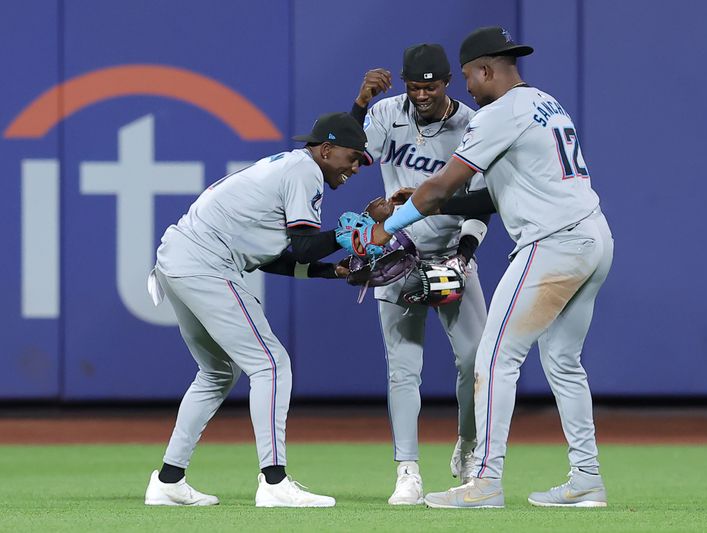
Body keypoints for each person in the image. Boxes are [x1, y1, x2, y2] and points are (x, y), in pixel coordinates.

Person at [359, 26, 614, 509]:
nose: (469, 89)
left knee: (493, 359)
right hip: (594, 236)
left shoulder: (497, 114)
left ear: (484, 69)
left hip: (553, 242)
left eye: (471, 78)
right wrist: (421, 204)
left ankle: (485, 481)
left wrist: (392, 220)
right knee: (563, 362)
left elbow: (438, 188)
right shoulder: (545, 101)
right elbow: (484, 197)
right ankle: (587, 477)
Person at [143, 112, 367, 508]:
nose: (355, 167)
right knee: (271, 364)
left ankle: (168, 480)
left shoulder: (289, 167)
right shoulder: (305, 171)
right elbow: (301, 246)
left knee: (217, 372)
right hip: (204, 264)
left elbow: (272, 257)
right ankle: (275, 481)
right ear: (326, 150)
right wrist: (352, 234)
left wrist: (332, 269)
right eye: (352, 157)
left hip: (176, 261)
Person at [349, 44, 490, 505]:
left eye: (430, 87)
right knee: (403, 368)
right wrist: (360, 105)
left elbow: (485, 203)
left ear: (447, 82)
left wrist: (464, 257)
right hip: (399, 256)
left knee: (476, 362)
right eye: (414, 87)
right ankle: (407, 471)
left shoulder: (472, 125)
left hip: (453, 254)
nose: (421, 95)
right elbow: (344, 159)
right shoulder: (388, 112)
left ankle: (468, 446)